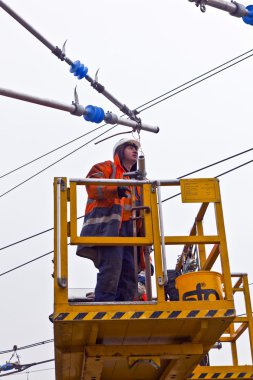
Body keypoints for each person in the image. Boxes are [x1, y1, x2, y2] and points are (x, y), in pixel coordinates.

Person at [76, 138, 142, 302]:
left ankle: (124, 307)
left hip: (132, 232)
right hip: (111, 229)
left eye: (136, 148)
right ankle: (104, 304)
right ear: (120, 151)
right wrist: (114, 189)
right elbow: (91, 186)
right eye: (130, 147)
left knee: (130, 274)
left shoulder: (138, 181)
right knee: (112, 270)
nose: (135, 151)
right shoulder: (107, 167)